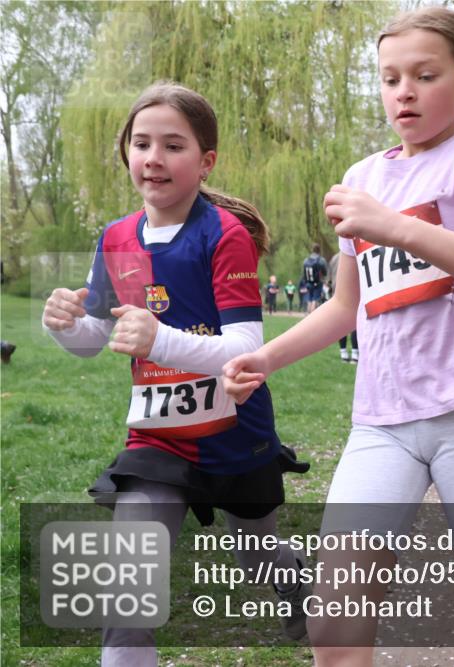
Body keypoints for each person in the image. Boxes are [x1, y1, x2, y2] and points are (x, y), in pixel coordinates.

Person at [221, 7, 454, 664]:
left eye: (425, 75)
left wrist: (394, 226)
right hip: (381, 423)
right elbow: (345, 307)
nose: (405, 91)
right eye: (391, 78)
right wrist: (265, 356)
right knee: (334, 620)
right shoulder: (362, 179)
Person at [40, 82, 311, 666]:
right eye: (141, 144)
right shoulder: (115, 237)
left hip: (237, 436)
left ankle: (295, 585)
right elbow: (96, 338)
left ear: (205, 160)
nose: (153, 158)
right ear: (126, 155)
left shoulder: (224, 237)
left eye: (173, 145)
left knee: (259, 556)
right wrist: (64, 325)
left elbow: (245, 347)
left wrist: (159, 338)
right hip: (158, 440)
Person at [328, 250, 358, 362]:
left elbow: (329, 279)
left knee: (342, 324)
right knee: (355, 324)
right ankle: (355, 353)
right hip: (353, 291)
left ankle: (343, 352)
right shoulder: (355, 254)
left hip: (337, 292)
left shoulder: (334, 258)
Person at [302, 243, 328, 313]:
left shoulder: (306, 260)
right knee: (315, 299)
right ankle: (312, 316)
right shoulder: (321, 260)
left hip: (308, 283)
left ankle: (307, 316)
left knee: (309, 299)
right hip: (317, 283)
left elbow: (304, 273)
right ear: (319, 250)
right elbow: (325, 272)